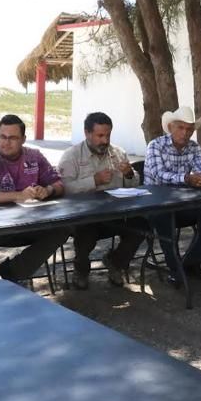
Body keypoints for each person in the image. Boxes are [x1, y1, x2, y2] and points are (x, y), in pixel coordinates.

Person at [0, 114, 68, 281]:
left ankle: (13, 272)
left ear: (23, 139)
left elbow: (59, 184)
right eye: (2, 137)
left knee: (63, 229)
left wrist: (47, 190)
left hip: (29, 224)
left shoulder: (35, 156)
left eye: (12, 138)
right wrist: (19, 195)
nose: (6, 142)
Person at [58, 112, 146, 289]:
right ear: (87, 133)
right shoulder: (72, 156)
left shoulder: (118, 153)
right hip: (84, 215)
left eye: (108, 135)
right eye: (100, 135)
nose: (105, 140)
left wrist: (129, 174)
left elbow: (134, 184)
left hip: (115, 213)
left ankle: (115, 262)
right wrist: (94, 181)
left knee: (142, 226)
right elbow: (65, 189)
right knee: (86, 233)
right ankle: (81, 270)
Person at [144, 106, 201, 286]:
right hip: (156, 204)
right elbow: (158, 175)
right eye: (181, 127)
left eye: (189, 129)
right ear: (171, 127)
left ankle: (191, 263)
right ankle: (174, 269)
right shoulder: (156, 145)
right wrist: (187, 178)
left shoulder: (193, 147)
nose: (185, 133)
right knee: (164, 218)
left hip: (183, 203)